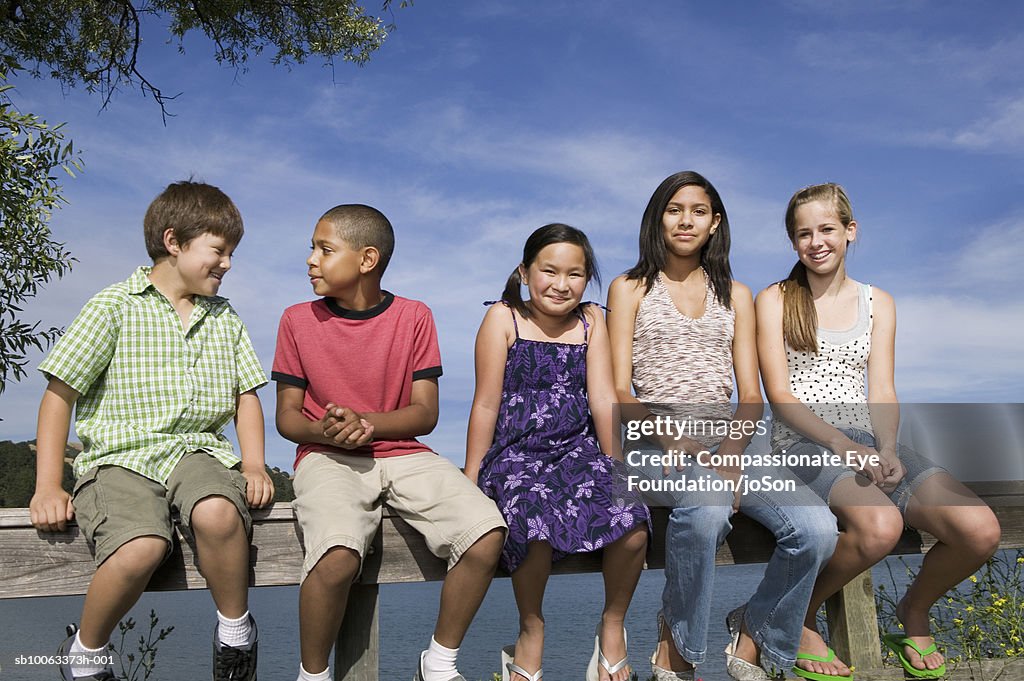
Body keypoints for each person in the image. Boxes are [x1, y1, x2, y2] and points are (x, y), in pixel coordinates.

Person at [756, 182, 1002, 680]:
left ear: (850, 231)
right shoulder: (775, 299)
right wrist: (843, 445)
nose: (816, 241)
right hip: (802, 443)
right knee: (880, 526)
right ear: (793, 242)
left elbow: (883, 388)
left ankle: (912, 611)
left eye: (827, 228)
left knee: (981, 530)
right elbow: (780, 397)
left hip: (870, 442)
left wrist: (888, 447)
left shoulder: (878, 302)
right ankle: (793, 619)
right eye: (803, 233)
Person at [30, 180, 274, 681]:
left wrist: (252, 463)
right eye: (219, 250)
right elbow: (60, 397)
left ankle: (235, 631)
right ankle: (86, 652)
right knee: (142, 547)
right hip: (122, 458)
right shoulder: (113, 306)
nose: (227, 263)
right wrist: (48, 486)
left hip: (198, 453)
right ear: (173, 242)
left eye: (231, 253)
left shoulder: (223, 318)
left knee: (219, 514)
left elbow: (245, 396)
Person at [606, 171, 839, 681]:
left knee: (818, 530)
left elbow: (751, 395)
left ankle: (757, 624)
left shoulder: (735, 293)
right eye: (674, 209)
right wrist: (672, 439)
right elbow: (620, 390)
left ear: (715, 223)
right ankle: (679, 646)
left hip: (729, 437)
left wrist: (732, 450)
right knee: (708, 505)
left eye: (698, 211)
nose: (685, 220)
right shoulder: (628, 288)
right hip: (653, 435)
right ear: (657, 218)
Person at [273, 204, 507, 681]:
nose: (310, 260)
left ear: (367, 259)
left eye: (324, 249)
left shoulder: (415, 316)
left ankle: (438, 663)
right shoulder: (296, 320)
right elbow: (287, 418)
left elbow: (425, 413)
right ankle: (312, 675)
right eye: (312, 249)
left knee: (486, 533)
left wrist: (369, 424)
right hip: (326, 456)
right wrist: (331, 430)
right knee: (338, 553)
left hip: (403, 452)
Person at [465, 224, 650, 681]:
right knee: (531, 521)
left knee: (633, 522)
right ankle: (531, 629)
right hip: (516, 454)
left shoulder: (591, 320)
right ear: (526, 272)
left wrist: (614, 462)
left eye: (575, 273)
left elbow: (603, 397)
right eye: (549, 271)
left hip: (578, 452)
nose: (561, 284)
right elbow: (486, 402)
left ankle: (612, 626)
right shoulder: (503, 318)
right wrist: (468, 479)